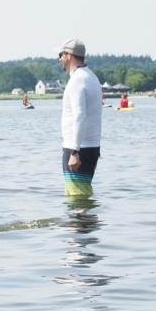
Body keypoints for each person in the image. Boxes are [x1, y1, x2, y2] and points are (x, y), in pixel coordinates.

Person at [58, 38, 103, 198]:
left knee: (76, 198)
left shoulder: (77, 80)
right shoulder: (90, 76)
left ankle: (81, 223)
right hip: (89, 146)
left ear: (69, 55)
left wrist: (74, 152)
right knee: (81, 196)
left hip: (79, 148)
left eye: (61, 54)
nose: (59, 59)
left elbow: (79, 115)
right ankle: (87, 222)